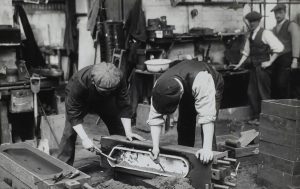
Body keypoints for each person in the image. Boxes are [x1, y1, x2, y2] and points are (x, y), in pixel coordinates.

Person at [57, 63, 144, 165]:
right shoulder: (79, 82)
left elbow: (124, 105)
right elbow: (73, 115)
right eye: (104, 91)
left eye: (110, 91)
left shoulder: (119, 77)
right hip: (82, 101)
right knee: (69, 132)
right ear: (93, 82)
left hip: (105, 102)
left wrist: (128, 131)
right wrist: (85, 139)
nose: (107, 93)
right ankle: (63, 167)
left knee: (119, 130)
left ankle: (121, 161)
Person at [147, 60, 224, 164]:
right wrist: (155, 147)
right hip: (187, 85)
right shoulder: (158, 87)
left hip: (211, 84)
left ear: (180, 94)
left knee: (208, 132)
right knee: (184, 124)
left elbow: (207, 117)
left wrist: (206, 149)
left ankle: (212, 164)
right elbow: (155, 118)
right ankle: (185, 161)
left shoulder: (202, 80)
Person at [235, 11, 284, 124]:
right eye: (250, 21)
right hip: (254, 68)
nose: (251, 24)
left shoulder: (265, 33)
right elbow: (246, 52)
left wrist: (269, 62)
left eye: (254, 21)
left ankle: (268, 119)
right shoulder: (250, 35)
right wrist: (239, 64)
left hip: (263, 69)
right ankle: (257, 117)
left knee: (264, 93)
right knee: (251, 93)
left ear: (259, 21)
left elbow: (280, 48)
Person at [270, 4, 300, 99]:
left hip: (288, 59)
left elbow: (296, 42)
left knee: (284, 84)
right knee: (276, 85)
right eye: (275, 13)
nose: (277, 15)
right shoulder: (274, 28)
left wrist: (295, 60)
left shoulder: (292, 25)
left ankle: (289, 108)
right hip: (277, 60)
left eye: (280, 13)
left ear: (285, 12)